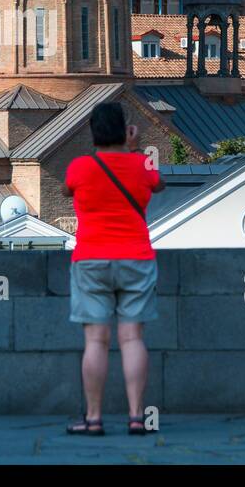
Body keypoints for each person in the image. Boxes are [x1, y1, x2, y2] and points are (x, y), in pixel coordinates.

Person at [63, 101, 164, 437]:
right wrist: (133, 149)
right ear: (124, 130)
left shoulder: (80, 167)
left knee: (96, 340)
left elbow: (66, 190)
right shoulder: (141, 165)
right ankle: (137, 416)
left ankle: (93, 418)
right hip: (136, 257)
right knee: (132, 337)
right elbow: (157, 182)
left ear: (93, 132)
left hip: (91, 259)